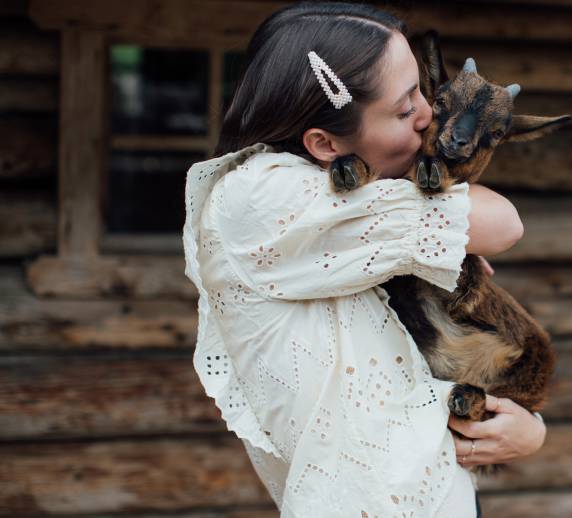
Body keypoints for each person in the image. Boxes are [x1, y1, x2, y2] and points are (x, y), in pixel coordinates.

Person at [181, 2, 546, 516]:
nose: (428, 116)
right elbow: (501, 223)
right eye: (403, 109)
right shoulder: (261, 197)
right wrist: (443, 229)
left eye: (424, 90)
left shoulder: (359, 213)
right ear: (323, 143)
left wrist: (526, 428)